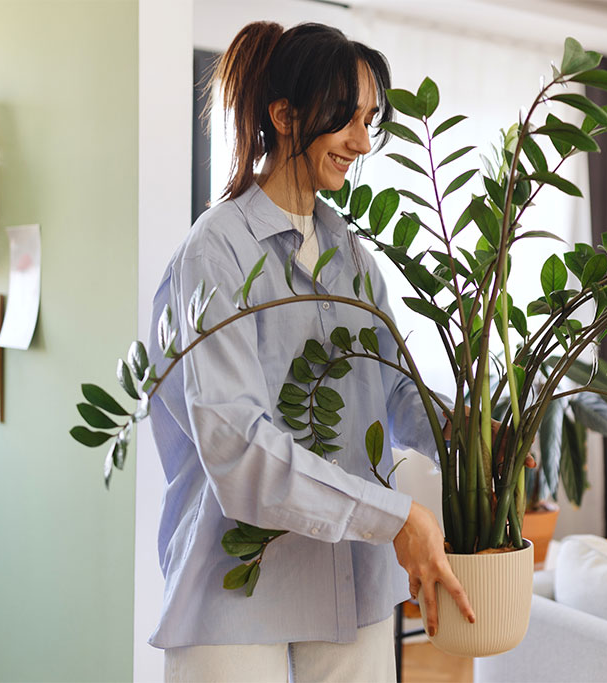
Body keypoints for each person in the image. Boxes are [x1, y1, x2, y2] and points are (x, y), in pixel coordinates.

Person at [146, 21, 473, 682]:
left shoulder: (353, 252)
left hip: (351, 582)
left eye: (369, 120)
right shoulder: (217, 251)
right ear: (285, 114)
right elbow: (239, 450)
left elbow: (392, 385)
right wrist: (395, 516)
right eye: (344, 118)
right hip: (235, 585)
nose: (361, 139)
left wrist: (463, 430)